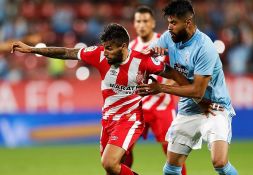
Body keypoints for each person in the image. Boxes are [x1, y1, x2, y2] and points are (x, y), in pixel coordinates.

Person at [11, 23, 221, 175]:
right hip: (108, 121)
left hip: (130, 120)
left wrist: (199, 98)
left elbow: (173, 74)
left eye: (109, 48)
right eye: (104, 47)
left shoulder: (143, 62)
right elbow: (67, 52)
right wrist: (32, 50)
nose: (105, 52)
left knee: (109, 163)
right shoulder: (99, 54)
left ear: (123, 47)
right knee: (112, 170)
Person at [138, 0, 238, 175]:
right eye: (169, 22)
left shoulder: (204, 47)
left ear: (188, 22)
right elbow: (146, 58)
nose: (169, 27)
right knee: (171, 168)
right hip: (188, 108)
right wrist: (151, 56)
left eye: (174, 23)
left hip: (214, 107)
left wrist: (160, 87)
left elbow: (198, 91)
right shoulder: (169, 38)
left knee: (220, 162)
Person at [127, 6, 187, 175]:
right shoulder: (131, 47)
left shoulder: (166, 43)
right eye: (138, 21)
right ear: (134, 24)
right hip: (138, 107)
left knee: (172, 153)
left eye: (145, 21)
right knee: (124, 148)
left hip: (162, 107)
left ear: (153, 23)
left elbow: (180, 70)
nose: (142, 25)